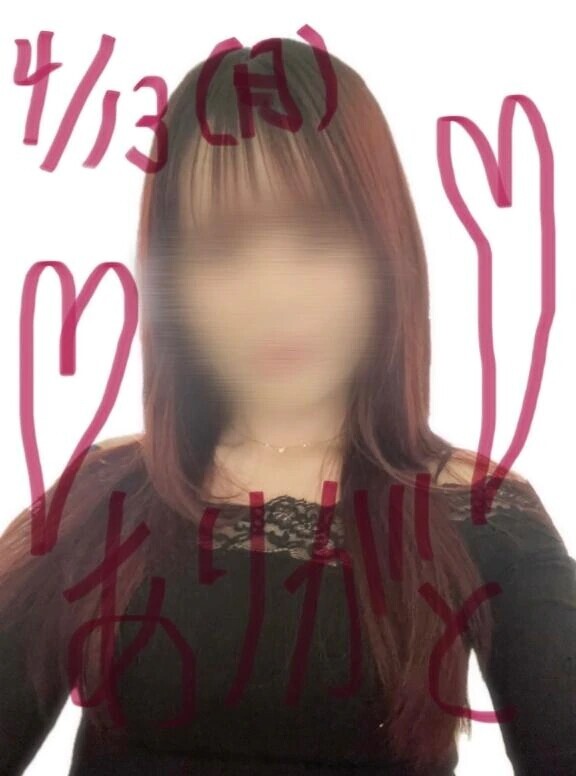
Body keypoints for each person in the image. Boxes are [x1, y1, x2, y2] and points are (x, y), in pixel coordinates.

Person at [1, 36, 575, 775]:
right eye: (222, 249)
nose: (273, 295)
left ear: (386, 255)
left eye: (317, 238)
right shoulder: (103, 493)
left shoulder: (483, 510)